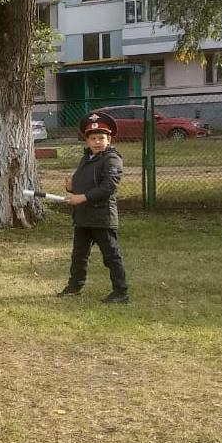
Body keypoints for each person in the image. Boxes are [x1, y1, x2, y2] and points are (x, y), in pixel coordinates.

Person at [58, 111, 129, 304]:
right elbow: (83, 182)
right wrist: (71, 186)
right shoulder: (87, 158)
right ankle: (74, 286)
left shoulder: (112, 159)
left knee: (111, 256)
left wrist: (82, 197)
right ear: (87, 141)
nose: (97, 142)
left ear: (109, 139)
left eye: (101, 138)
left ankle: (121, 292)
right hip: (83, 217)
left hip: (102, 217)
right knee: (79, 255)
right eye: (93, 138)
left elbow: (108, 187)